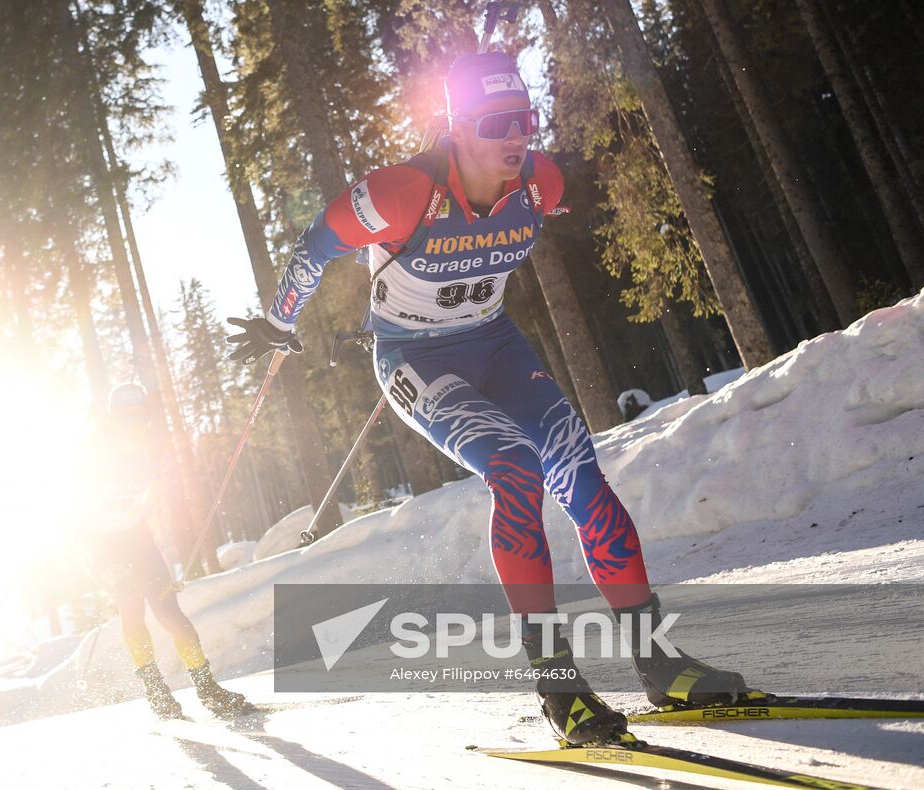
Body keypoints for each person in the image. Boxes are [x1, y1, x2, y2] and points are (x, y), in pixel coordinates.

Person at [226, 50, 746, 745]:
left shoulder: (541, 182)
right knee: (514, 466)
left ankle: (658, 663)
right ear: (457, 128)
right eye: (497, 122)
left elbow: (561, 190)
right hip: (414, 359)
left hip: (495, 345)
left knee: (579, 471)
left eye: (525, 121)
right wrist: (278, 323)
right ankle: (561, 691)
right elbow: (315, 246)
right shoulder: (401, 192)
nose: (516, 137)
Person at [78, 382, 251, 720]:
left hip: (135, 536)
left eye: (140, 417)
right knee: (130, 601)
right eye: (126, 418)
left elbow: (159, 496)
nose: (134, 425)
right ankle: (156, 691)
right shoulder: (94, 456)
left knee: (169, 611)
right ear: (113, 421)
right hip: (98, 544)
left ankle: (207, 687)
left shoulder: (153, 455)